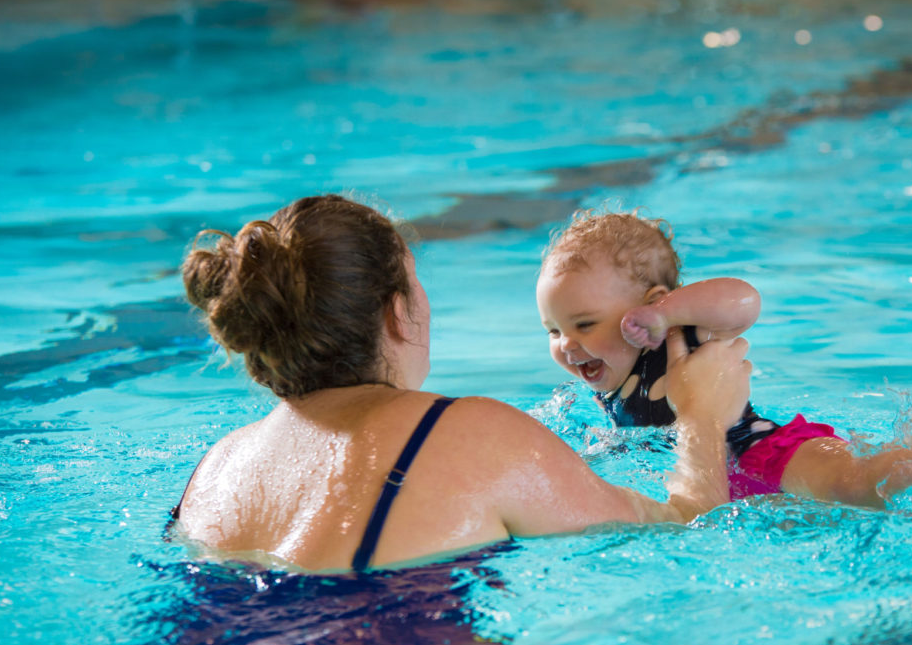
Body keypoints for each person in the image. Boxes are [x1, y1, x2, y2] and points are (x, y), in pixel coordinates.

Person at [171, 194, 752, 572]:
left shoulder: (219, 464)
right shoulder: (469, 433)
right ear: (397, 312)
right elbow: (688, 532)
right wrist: (704, 416)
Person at [535, 209, 912, 508]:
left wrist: (666, 315)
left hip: (761, 452)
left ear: (652, 304)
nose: (567, 344)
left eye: (584, 324)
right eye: (553, 330)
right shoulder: (607, 376)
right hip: (720, 481)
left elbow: (744, 300)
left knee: (850, 480)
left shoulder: (672, 336)